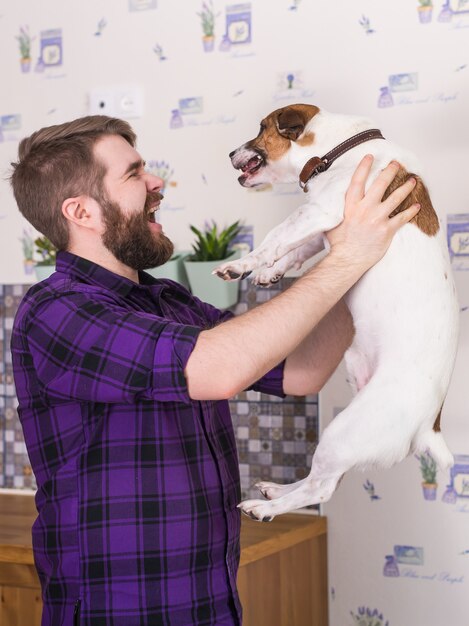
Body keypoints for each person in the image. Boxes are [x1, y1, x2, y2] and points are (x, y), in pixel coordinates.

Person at [9, 115, 419, 626]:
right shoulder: (58, 311)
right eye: (135, 175)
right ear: (81, 212)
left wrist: (358, 255)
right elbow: (218, 368)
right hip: (117, 611)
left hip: (209, 603)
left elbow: (300, 370)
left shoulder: (167, 301)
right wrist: (346, 258)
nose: (157, 182)